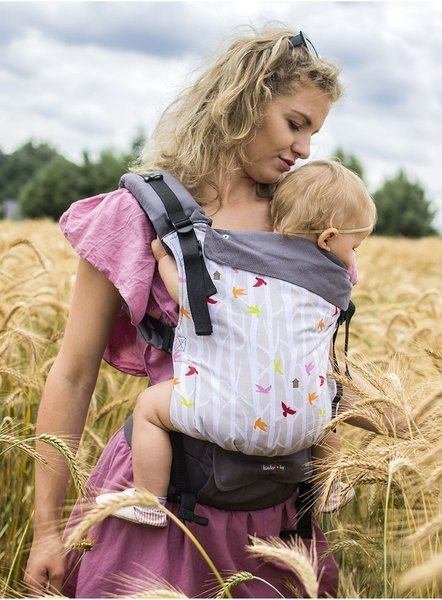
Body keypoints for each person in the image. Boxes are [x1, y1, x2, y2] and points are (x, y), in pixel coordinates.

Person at [24, 27, 400, 599]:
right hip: (159, 507)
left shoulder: (303, 224)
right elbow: (73, 376)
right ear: (243, 99)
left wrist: (390, 422)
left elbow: (307, 357)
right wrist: (46, 530)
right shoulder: (138, 216)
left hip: (276, 518)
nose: (304, 150)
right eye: (295, 123)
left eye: (313, 134)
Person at [95, 159, 376, 527]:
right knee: (325, 409)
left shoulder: (231, 268)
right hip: (302, 430)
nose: (353, 259)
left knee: (148, 408)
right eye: (355, 246)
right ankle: (329, 485)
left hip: (222, 415)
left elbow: (187, 295)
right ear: (327, 239)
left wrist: (165, 259)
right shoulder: (334, 288)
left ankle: (149, 498)